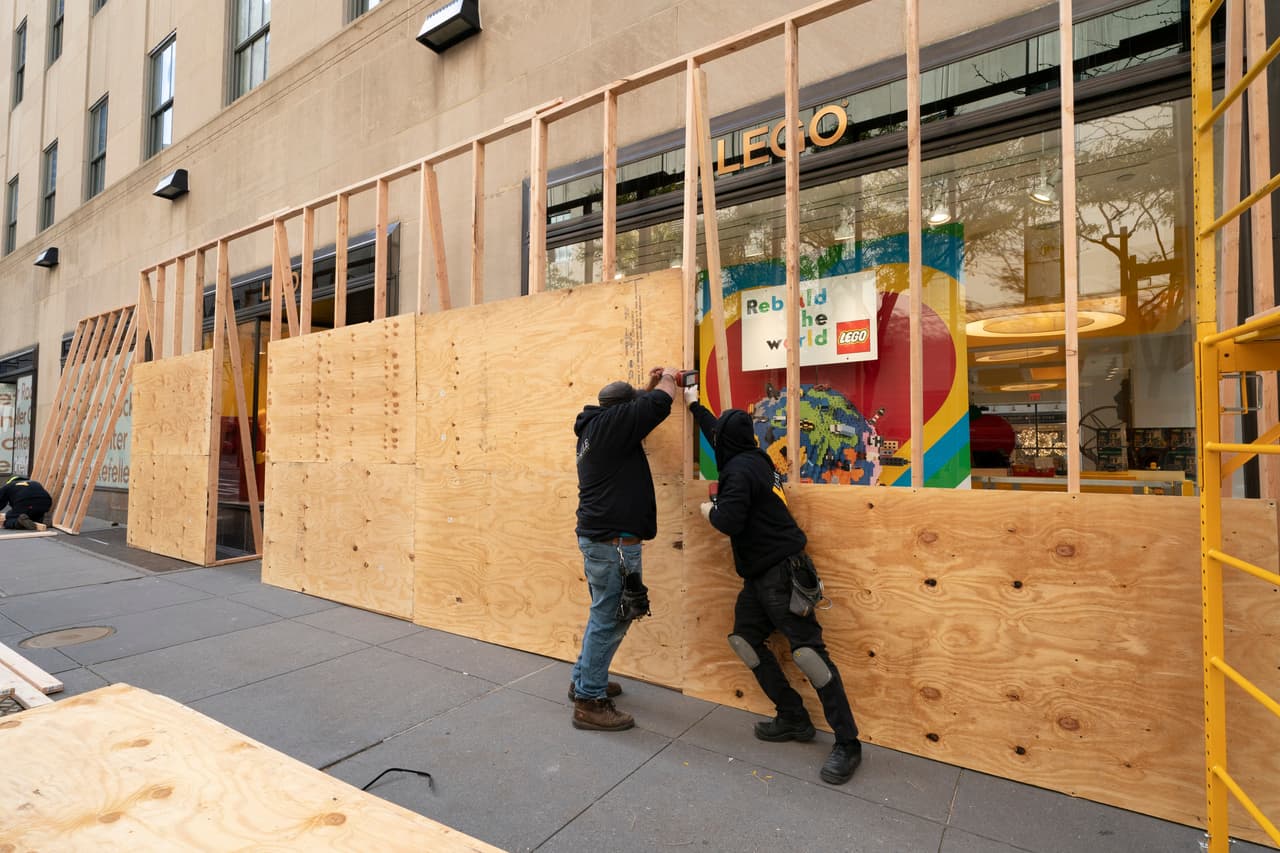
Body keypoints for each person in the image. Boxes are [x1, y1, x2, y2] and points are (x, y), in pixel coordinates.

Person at [687, 386, 862, 784]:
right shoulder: (754, 459)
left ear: (726, 444)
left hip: (781, 574)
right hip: (760, 576)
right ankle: (793, 717)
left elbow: (728, 521)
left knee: (809, 655)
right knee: (745, 641)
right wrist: (694, 402)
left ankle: (848, 743)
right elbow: (719, 432)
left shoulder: (738, 470)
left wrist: (708, 509)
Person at [570, 366, 678, 731]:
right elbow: (657, 404)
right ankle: (589, 701)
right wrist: (670, 378)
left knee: (602, 613)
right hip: (613, 545)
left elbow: (637, 408)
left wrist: (647, 385)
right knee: (611, 618)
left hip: (602, 541)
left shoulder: (597, 427)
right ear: (623, 410)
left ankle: (584, 679)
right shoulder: (611, 427)